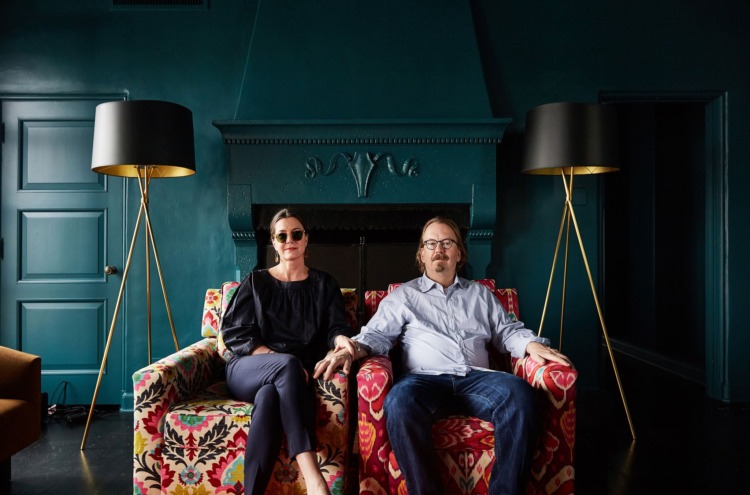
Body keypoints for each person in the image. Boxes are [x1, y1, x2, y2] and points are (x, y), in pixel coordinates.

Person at [313, 216, 573, 495]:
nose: (439, 249)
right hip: (424, 382)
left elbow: (507, 331)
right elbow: (377, 336)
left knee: (521, 396)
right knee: (399, 403)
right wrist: (349, 350)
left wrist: (531, 345)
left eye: (447, 243)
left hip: (477, 380)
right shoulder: (404, 296)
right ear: (421, 254)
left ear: (459, 253)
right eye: (431, 243)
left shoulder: (481, 295)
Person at [221, 208, 353, 495]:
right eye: (282, 235)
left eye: (296, 234)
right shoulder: (256, 282)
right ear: (274, 241)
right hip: (247, 368)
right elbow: (234, 332)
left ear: (306, 239)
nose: (289, 240)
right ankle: (314, 480)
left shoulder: (324, 284)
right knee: (287, 365)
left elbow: (335, 327)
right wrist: (273, 358)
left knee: (268, 399)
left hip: (290, 380)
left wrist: (341, 339)